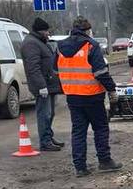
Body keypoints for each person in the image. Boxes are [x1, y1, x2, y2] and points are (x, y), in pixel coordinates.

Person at [56, 18, 120, 176]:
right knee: (100, 128)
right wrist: (111, 89)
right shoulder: (91, 45)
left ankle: (80, 167)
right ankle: (105, 161)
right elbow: (101, 72)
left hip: (72, 95)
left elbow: (55, 70)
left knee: (78, 131)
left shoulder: (60, 47)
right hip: (92, 95)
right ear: (88, 30)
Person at [21, 17, 63, 151]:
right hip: (43, 86)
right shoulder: (31, 44)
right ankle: (45, 142)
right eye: (46, 31)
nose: (48, 33)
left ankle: (48, 137)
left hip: (49, 84)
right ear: (40, 31)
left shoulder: (40, 42)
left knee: (50, 113)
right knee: (44, 114)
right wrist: (41, 86)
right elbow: (33, 67)